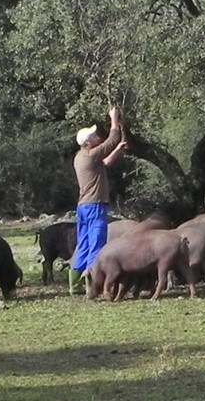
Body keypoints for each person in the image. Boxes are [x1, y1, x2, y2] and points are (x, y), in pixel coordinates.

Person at [69, 105, 128, 293]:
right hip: (95, 205)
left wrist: (117, 151)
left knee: (84, 243)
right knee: (96, 243)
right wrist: (114, 118)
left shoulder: (80, 158)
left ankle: (74, 284)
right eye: (93, 136)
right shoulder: (90, 154)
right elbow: (113, 138)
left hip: (83, 206)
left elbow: (105, 163)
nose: (97, 136)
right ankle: (92, 285)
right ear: (87, 143)